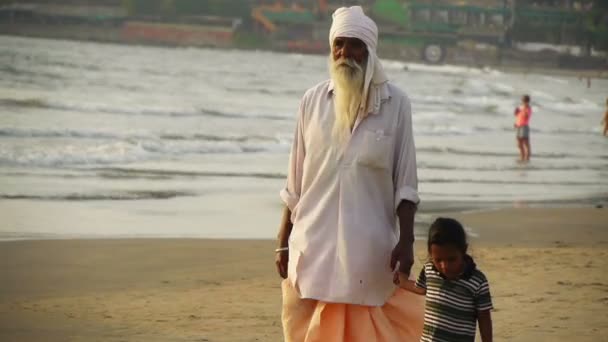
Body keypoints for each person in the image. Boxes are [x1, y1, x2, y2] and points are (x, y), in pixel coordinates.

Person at [274, 6, 424, 342]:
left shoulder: (396, 104)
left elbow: (406, 182)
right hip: (313, 242)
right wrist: (282, 240)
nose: (345, 53)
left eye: (354, 44)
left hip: (368, 250)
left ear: (369, 49)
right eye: (338, 44)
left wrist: (408, 241)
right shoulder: (311, 101)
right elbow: (294, 180)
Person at [400, 218, 494, 342]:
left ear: (463, 250)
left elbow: (484, 318)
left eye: (451, 259)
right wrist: (402, 280)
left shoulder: (477, 281)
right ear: (430, 253)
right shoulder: (429, 270)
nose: (445, 266)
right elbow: (421, 289)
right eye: (438, 260)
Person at [514, 94, 532, 162]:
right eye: (523, 100)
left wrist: (523, 109)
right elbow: (518, 116)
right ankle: (522, 156)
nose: (523, 102)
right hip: (519, 126)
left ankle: (527, 158)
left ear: (527, 101)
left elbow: (526, 116)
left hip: (524, 127)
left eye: (524, 100)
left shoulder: (528, 108)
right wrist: (516, 122)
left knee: (526, 143)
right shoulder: (521, 107)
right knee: (519, 144)